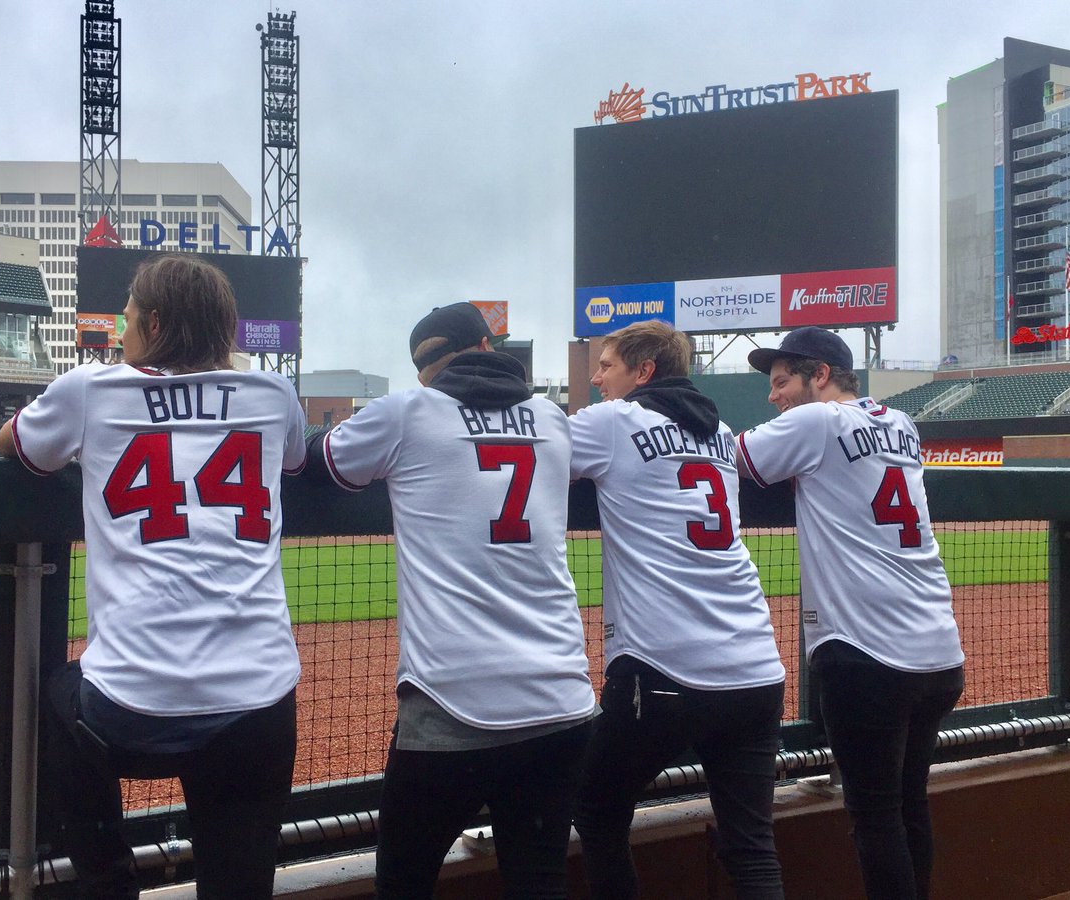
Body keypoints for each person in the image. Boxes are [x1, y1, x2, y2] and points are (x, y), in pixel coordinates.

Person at [0, 254, 307, 900]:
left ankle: (110, 880)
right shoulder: (275, 395)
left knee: (60, 694)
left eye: (129, 317)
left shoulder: (92, 389)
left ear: (155, 323)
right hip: (258, 709)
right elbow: (298, 459)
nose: (122, 330)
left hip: (128, 715)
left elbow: (13, 444)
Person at [305, 302, 596, 899]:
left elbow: (324, 460)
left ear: (422, 371)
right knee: (539, 880)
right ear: (490, 349)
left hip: (453, 702)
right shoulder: (552, 417)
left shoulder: (409, 412)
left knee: (403, 883)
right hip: (561, 696)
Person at [736, 326, 965, 900]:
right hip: (939, 651)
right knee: (909, 802)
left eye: (782, 380)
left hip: (869, 656)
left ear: (820, 375)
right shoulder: (901, 424)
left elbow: (732, 457)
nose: (774, 396)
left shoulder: (816, 423)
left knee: (876, 815)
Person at [568, 321, 786, 900]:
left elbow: (522, 458)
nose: (595, 377)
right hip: (756, 669)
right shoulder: (720, 434)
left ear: (643, 372)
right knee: (752, 847)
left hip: (665, 672)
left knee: (596, 810)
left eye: (607, 364)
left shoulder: (615, 422)